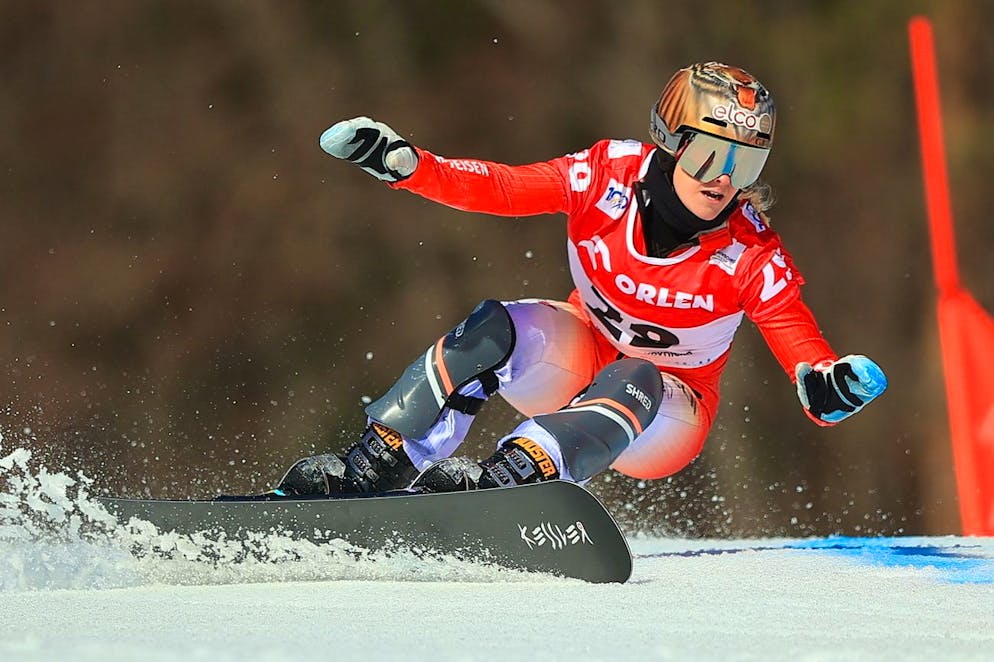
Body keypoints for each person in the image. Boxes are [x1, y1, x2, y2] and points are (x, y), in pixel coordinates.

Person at [276, 61, 887, 496]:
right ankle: (379, 463)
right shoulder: (606, 175)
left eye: (744, 162)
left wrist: (823, 384)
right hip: (575, 364)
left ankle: (513, 481)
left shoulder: (749, 249)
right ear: (671, 144)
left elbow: (799, 342)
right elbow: (506, 188)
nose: (722, 179)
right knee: (495, 324)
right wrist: (410, 167)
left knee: (634, 372)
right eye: (708, 154)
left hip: (664, 417)